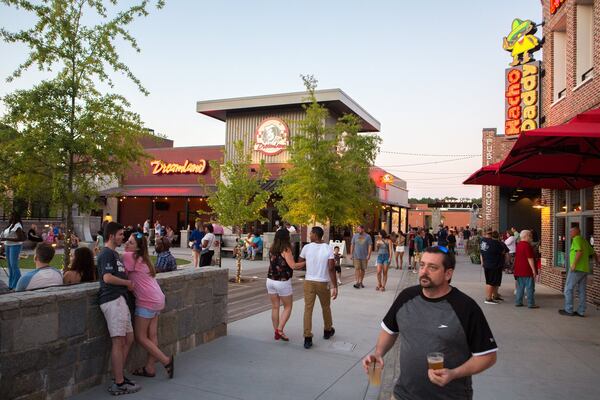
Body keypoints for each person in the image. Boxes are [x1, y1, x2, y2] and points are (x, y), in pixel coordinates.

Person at [362, 246, 497, 400]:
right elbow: (389, 330)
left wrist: (454, 374)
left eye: (432, 267)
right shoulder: (406, 297)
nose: (424, 271)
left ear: (448, 273)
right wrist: (378, 353)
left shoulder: (466, 307)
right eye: (422, 265)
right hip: (403, 395)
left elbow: (488, 356)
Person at [122, 232, 174, 379]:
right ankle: (150, 368)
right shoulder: (145, 259)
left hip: (147, 301)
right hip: (158, 299)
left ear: (138, 248)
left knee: (140, 336)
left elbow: (119, 272)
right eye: (127, 241)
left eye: (131, 243)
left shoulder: (128, 257)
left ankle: (166, 361)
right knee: (152, 335)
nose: (126, 244)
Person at [96, 221, 140, 395]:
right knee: (118, 341)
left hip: (121, 301)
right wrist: (127, 283)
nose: (123, 237)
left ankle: (119, 376)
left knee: (129, 339)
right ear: (111, 235)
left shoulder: (115, 254)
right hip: (112, 300)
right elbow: (107, 278)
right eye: (121, 234)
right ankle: (119, 383)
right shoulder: (106, 254)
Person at [299, 226, 338, 349]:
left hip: (309, 281)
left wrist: (310, 262)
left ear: (316, 235)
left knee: (308, 309)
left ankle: (307, 337)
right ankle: (327, 330)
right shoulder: (328, 248)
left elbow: (300, 262)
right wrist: (335, 286)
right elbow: (331, 268)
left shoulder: (306, 247)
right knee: (325, 307)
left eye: (311, 233)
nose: (310, 235)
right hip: (323, 282)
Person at [266, 229, 305, 342]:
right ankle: (279, 330)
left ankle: (277, 332)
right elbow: (293, 266)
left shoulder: (272, 248)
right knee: (288, 307)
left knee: (275, 307)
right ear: (286, 237)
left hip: (270, 280)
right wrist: (307, 262)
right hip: (282, 282)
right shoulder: (286, 249)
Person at [559, 226, 598, 317]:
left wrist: (574, 264)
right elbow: (593, 252)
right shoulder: (584, 241)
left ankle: (568, 310)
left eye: (571, 231)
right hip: (584, 269)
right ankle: (581, 311)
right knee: (582, 290)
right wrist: (597, 261)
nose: (570, 233)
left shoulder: (576, 239)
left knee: (568, 289)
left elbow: (579, 252)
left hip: (576, 269)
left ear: (576, 232)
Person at [479, 230, 508, 304]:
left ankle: (495, 296)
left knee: (495, 282)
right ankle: (488, 299)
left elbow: (481, 253)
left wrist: (482, 262)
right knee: (491, 282)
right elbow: (504, 251)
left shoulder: (483, 241)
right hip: (494, 265)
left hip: (488, 264)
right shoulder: (496, 243)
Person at [513, 230, 539, 309]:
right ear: (526, 236)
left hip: (519, 270)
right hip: (527, 270)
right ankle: (531, 304)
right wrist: (534, 270)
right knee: (530, 288)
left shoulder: (519, 245)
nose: (531, 238)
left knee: (520, 287)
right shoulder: (527, 246)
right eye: (530, 236)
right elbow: (530, 259)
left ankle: (518, 302)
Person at [2, 212, 26, 289]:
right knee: (10, 266)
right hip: (7, 246)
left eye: (10, 216)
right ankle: (11, 284)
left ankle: (17, 284)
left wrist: (6, 239)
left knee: (14, 265)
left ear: (14, 217)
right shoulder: (9, 226)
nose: (9, 217)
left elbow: (20, 238)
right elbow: (5, 236)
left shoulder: (17, 226)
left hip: (15, 246)